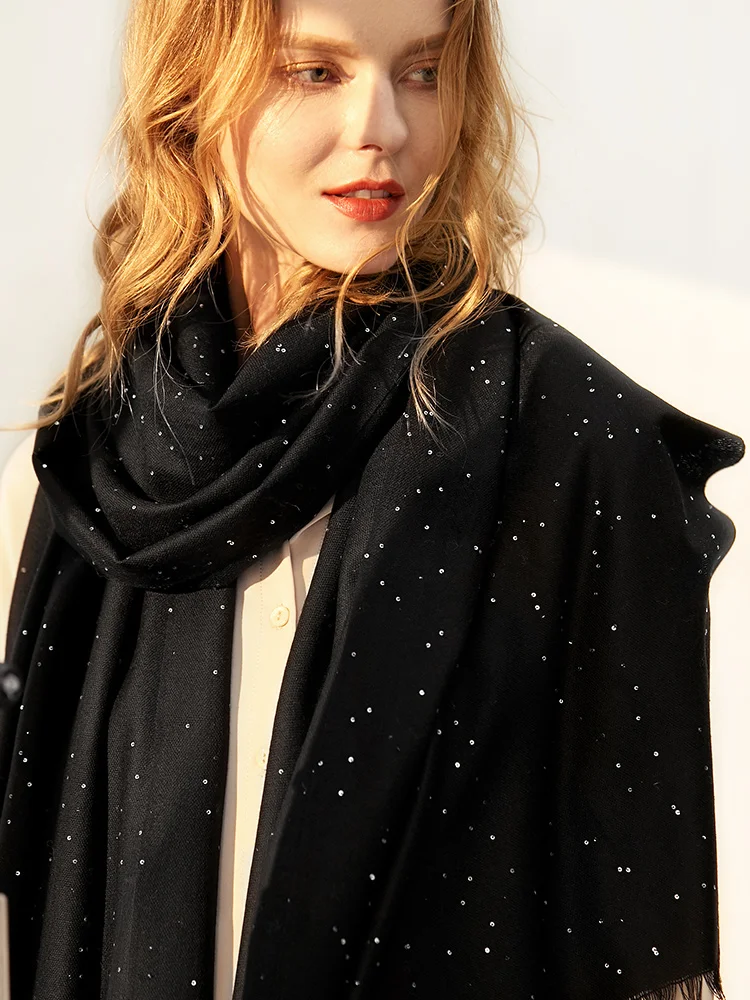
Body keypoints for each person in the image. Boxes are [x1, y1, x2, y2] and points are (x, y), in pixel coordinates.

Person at [0, 0, 744, 997]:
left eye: (424, 72)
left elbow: (630, 930)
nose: (384, 128)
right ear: (191, 87)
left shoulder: (575, 446)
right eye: (316, 72)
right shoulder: (87, 480)